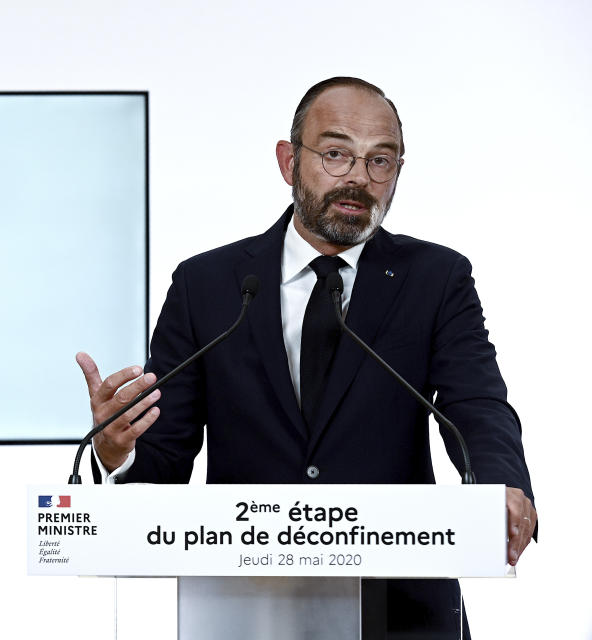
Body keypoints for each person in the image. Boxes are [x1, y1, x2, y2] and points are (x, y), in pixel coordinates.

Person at [76, 77, 536, 637]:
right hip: (245, 609)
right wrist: (115, 451)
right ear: (289, 161)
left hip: (400, 612)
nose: (359, 180)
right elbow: (164, 460)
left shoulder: (437, 279)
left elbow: (477, 403)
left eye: (381, 161)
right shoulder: (209, 286)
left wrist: (500, 483)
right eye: (336, 154)